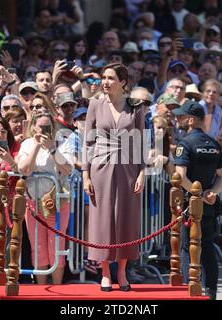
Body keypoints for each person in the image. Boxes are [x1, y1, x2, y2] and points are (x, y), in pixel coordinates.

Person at [83, 63, 145, 291]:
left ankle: (122, 271)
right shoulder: (95, 104)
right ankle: (105, 272)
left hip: (129, 168)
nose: (105, 82)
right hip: (100, 167)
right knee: (102, 220)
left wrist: (142, 172)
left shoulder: (136, 107)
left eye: (110, 78)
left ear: (122, 81)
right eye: (103, 77)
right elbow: (87, 142)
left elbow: (140, 142)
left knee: (126, 219)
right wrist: (85, 175)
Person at [173, 100, 222, 300]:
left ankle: (191, 291)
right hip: (209, 205)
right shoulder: (213, 143)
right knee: (207, 248)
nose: (176, 119)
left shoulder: (185, 144)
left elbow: (180, 176)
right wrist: (211, 193)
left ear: (190, 120)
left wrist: (196, 195)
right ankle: (211, 291)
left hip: (190, 205)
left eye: (180, 116)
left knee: (189, 247)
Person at [17, 112, 73, 285]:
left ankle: (57, 287)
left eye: (48, 126)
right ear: (34, 127)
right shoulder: (27, 144)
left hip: (57, 202)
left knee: (56, 246)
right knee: (38, 247)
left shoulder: (61, 142)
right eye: (41, 126)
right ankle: (40, 289)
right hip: (33, 201)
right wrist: (36, 146)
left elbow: (67, 169)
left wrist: (53, 149)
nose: (44, 130)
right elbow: (23, 169)